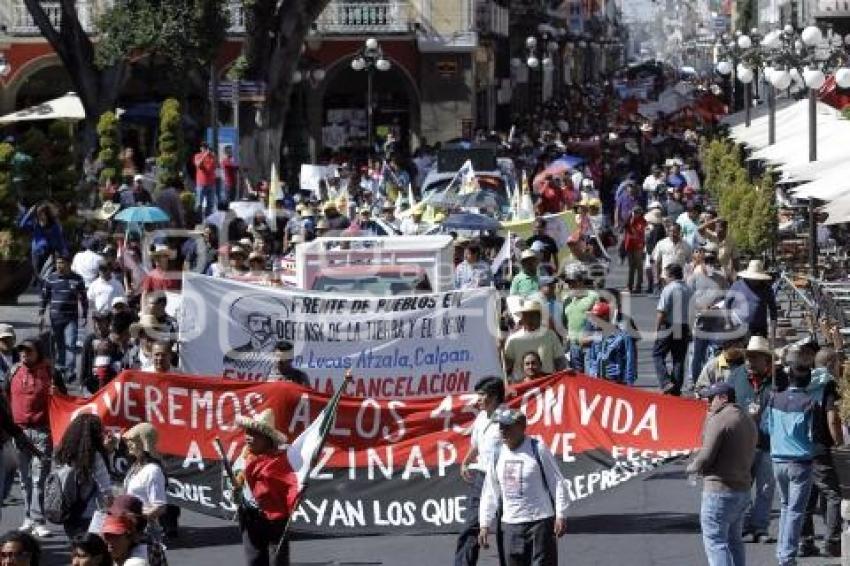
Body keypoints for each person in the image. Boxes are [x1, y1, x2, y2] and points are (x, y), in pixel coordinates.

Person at [478, 408, 568, 566]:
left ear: (522, 426)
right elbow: (490, 491)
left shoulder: (537, 448)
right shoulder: (497, 453)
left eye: (507, 427)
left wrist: (561, 514)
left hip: (540, 523)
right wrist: (484, 524)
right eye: (500, 427)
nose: (502, 431)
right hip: (511, 525)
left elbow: (557, 482)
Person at [686, 381, 757, 566]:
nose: (708, 403)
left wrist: (692, 467)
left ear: (723, 398)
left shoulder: (719, 419)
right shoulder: (746, 418)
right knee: (735, 542)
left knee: (716, 542)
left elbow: (706, 456)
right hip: (742, 489)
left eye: (711, 398)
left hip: (719, 490)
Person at [760, 356, 817, 566]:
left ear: (789, 378)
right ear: (808, 380)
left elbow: (765, 427)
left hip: (778, 459)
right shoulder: (810, 403)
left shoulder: (774, 398)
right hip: (800, 461)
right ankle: (787, 556)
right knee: (795, 510)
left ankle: (783, 551)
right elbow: (813, 435)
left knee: (786, 506)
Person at [7, 339, 66, 538]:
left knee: (39, 478)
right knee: (24, 479)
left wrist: (56, 394)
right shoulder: (14, 371)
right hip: (19, 432)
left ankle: (38, 520)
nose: (24, 354)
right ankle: (27, 518)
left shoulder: (51, 373)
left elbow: (64, 401)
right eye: (22, 351)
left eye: (29, 351)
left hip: (42, 432)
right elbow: (5, 398)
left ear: (37, 353)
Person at [233, 409, 300, 566]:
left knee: (277, 560)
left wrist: (296, 496)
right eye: (248, 432)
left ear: (267, 439)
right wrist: (235, 490)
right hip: (249, 517)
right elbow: (237, 487)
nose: (249, 437)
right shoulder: (241, 460)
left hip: (275, 519)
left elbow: (290, 485)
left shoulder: (279, 462)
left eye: (255, 434)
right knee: (254, 560)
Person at [798, 347, 844, 557]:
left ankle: (805, 541)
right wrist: (839, 443)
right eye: (836, 363)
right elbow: (832, 418)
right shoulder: (828, 385)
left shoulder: (803, 382)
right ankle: (833, 541)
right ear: (830, 364)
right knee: (833, 495)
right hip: (820, 447)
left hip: (800, 447)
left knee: (808, 496)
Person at [456, 377, 506, 566]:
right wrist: (466, 461)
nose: (478, 399)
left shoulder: (506, 418)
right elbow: (476, 445)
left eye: (482, 395)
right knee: (470, 527)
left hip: (503, 480)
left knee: (505, 531)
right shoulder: (481, 417)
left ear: (494, 397)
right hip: (482, 478)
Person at [741, 336, 778, 544]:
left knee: (765, 489)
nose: (751, 362)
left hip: (768, 444)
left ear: (767, 360)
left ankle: (760, 527)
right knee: (743, 488)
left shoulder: (778, 381)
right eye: (749, 357)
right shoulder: (737, 377)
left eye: (755, 358)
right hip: (744, 443)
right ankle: (744, 525)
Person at [53, 414, 113, 538]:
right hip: (88, 514)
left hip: (66, 511)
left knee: (76, 549)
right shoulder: (94, 457)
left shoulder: (62, 453)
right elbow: (105, 490)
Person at [39, 252, 87, 383]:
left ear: (69, 264)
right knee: (59, 345)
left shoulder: (78, 279)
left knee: (70, 344)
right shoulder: (51, 279)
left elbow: (84, 298)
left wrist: (85, 315)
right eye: (57, 263)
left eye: (62, 263)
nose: (59, 265)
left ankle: (70, 372)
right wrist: (41, 315)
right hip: (55, 318)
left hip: (71, 318)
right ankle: (61, 370)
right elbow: (44, 297)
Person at [121, 423, 167, 541]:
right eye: (128, 440)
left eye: (133, 440)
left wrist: (136, 518)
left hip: (144, 532)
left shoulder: (153, 470)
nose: (128, 444)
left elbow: (160, 507)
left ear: (144, 443)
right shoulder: (135, 466)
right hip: (130, 528)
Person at [503, 300, 565, 383]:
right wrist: (501, 349)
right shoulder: (513, 339)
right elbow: (507, 366)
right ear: (522, 318)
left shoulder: (550, 335)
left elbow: (560, 362)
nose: (530, 319)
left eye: (533, 315)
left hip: (546, 384)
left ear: (539, 317)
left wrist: (561, 381)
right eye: (526, 316)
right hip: (521, 385)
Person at [653, 263, 692, 395]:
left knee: (658, 354)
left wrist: (657, 329)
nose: (665, 279)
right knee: (679, 358)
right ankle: (676, 388)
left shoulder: (668, 289)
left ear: (671, 275)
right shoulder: (688, 289)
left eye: (666, 276)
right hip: (683, 326)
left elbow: (661, 311)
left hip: (669, 325)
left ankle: (665, 382)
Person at [583, 301, 636, 385]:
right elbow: (592, 359)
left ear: (605, 317)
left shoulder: (623, 336)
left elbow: (630, 361)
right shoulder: (596, 336)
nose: (594, 321)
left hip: (617, 382)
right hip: (598, 382)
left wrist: (629, 382)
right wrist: (592, 378)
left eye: (597, 317)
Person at [726, 260, 777, 340]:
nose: (755, 281)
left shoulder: (766, 289)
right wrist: (728, 322)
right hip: (739, 326)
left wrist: (773, 330)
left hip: (759, 329)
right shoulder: (737, 285)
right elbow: (727, 304)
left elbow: (773, 309)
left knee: (757, 351)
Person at [561, 264, 598, 372]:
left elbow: (604, 325)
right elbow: (564, 323)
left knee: (590, 378)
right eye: (568, 282)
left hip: (590, 347)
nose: (570, 285)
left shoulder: (593, 297)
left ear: (581, 280)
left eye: (573, 281)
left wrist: (592, 338)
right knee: (577, 378)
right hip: (573, 346)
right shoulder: (567, 300)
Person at [19, 203, 68, 281]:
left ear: (47, 215)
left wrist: (63, 250)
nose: (41, 217)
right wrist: (29, 213)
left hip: (50, 253)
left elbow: (59, 239)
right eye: (39, 215)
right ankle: (41, 286)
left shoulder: (54, 226)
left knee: (47, 274)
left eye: (42, 214)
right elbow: (22, 225)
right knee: (38, 275)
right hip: (36, 253)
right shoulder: (35, 225)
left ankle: (45, 288)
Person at [99, 496, 152, 566]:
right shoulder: (100, 555)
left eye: (115, 536)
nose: (110, 541)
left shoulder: (145, 554)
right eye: (107, 534)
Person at [622, 205, 646, 293]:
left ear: (640, 213)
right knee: (631, 266)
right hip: (629, 245)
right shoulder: (629, 219)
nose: (635, 214)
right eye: (634, 212)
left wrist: (632, 222)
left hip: (638, 246)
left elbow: (638, 231)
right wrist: (630, 219)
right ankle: (629, 286)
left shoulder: (642, 221)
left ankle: (638, 285)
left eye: (637, 212)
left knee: (639, 266)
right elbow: (624, 226)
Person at [644, 208, 666, 294]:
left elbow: (655, 241)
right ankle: (652, 286)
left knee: (652, 269)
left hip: (654, 251)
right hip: (650, 250)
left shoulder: (659, 228)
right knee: (650, 269)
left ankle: (654, 286)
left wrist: (652, 252)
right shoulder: (652, 226)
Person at [193, 141, 218, 216]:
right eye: (204, 148)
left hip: (211, 184)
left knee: (210, 204)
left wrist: (214, 156)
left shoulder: (212, 157)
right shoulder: (198, 156)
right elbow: (198, 164)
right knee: (199, 203)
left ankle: (208, 221)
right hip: (201, 183)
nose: (206, 150)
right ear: (201, 148)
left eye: (206, 148)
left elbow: (216, 166)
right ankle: (198, 220)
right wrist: (204, 155)